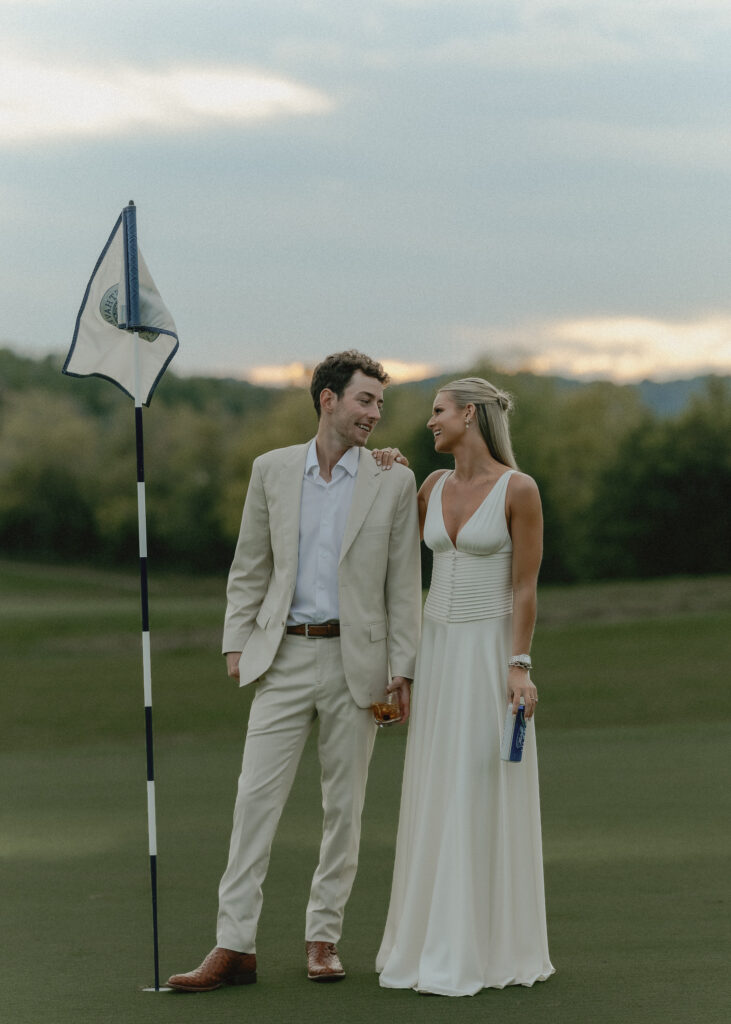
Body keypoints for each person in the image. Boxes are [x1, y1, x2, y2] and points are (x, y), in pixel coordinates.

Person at [168, 351, 421, 992]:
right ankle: (234, 947)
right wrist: (235, 641)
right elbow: (249, 563)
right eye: (364, 400)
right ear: (328, 400)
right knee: (253, 801)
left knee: (345, 808)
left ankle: (322, 940)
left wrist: (404, 669)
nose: (374, 414)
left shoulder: (392, 479)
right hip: (279, 658)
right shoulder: (272, 470)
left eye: (380, 405)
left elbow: (403, 585)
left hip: (356, 663)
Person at [375, 377, 555, 996]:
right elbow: (395, 552)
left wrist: (520, 664)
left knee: (480, 782)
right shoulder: (430, 485)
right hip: (439, 650)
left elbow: (525, 586)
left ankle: (484, 945)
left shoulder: (519, 489)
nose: (430, 423)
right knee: (436, 783)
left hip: (488, 652)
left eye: (438, 412)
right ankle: (427, 939)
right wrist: (390, 470)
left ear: (469, 415)